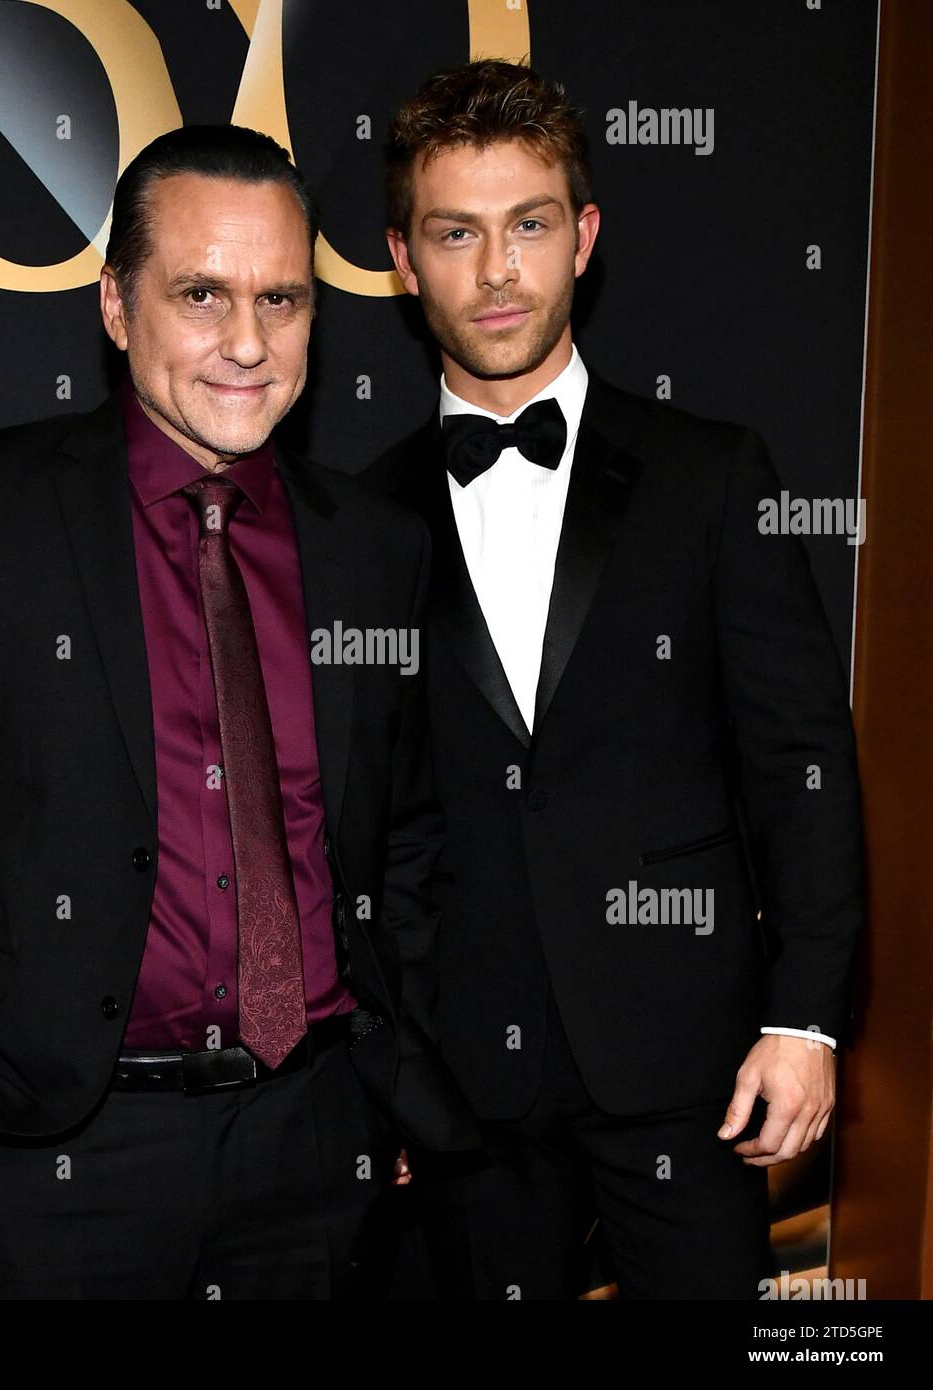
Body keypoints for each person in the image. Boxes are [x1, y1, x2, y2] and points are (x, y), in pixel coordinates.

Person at [0, 123, 479, 1300]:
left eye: (282, 299)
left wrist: (397, 1082)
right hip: (64, 1155)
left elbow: (408, 840)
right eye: (202, 294)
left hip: (314, 1141)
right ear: (116, 306)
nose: (248, 343)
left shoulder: (375, 547)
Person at [366, 60, 863, 1299]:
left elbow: (802, 766)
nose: (496, 272)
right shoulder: (354, 522)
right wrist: (384, 1071)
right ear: (400, 260)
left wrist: (804, 1020)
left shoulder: (711, 474)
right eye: (456, 233)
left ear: (582, 238)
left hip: (691, 1070)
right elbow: (353, 832)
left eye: (528, 225)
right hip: (460, 1093)